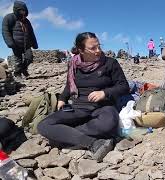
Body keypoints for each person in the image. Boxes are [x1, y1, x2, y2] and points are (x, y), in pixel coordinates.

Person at [37, 32, 129, 162]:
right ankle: (93, 143)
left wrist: (104, 93)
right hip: (78, 107)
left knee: (109, 124)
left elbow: (124, 86)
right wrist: (63, 98)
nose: (98, 51)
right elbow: (69, 84)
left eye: (99, 46)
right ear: (80, 50)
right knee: (43, 125)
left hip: (103, 106)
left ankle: (67, 134)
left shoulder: (110, 63)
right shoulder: (73, 63)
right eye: (92, 48)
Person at [2, 1, 38, 80]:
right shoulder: (9, 17)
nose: (23, 12)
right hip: (16, 44)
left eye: (24, 10)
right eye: (21, 10)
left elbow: (31, 33)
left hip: (27, 44)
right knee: (18, 60)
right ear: (16, 10)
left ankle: (24, 69)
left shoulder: (27, 21)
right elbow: (5, 30)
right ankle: (17, 73)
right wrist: (10, 42)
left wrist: (35, 44)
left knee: (29, 57)